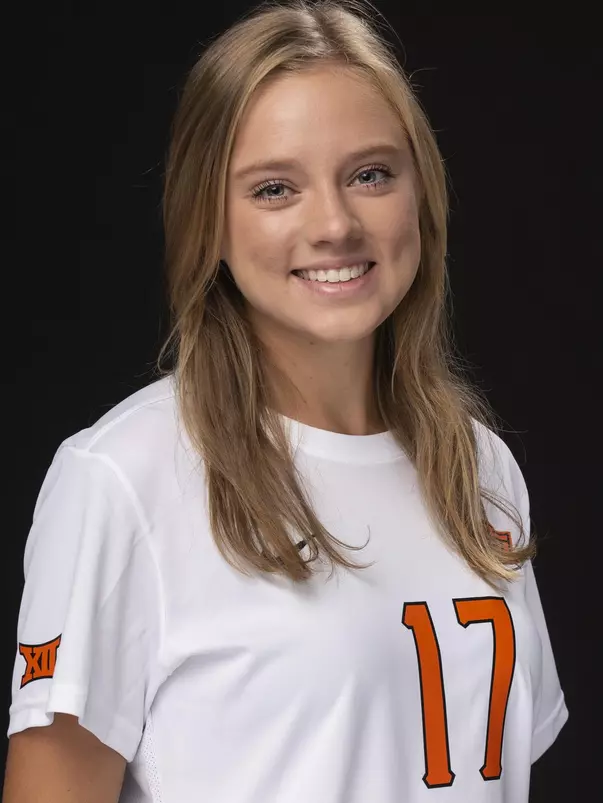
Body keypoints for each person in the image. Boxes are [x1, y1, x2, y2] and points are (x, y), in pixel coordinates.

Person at [3, 1, 568, 801]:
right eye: (274, 189)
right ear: (209, 217)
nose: (334, 223)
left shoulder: (478, 467)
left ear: (421, 191)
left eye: (370, 174)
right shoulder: (123, 478)